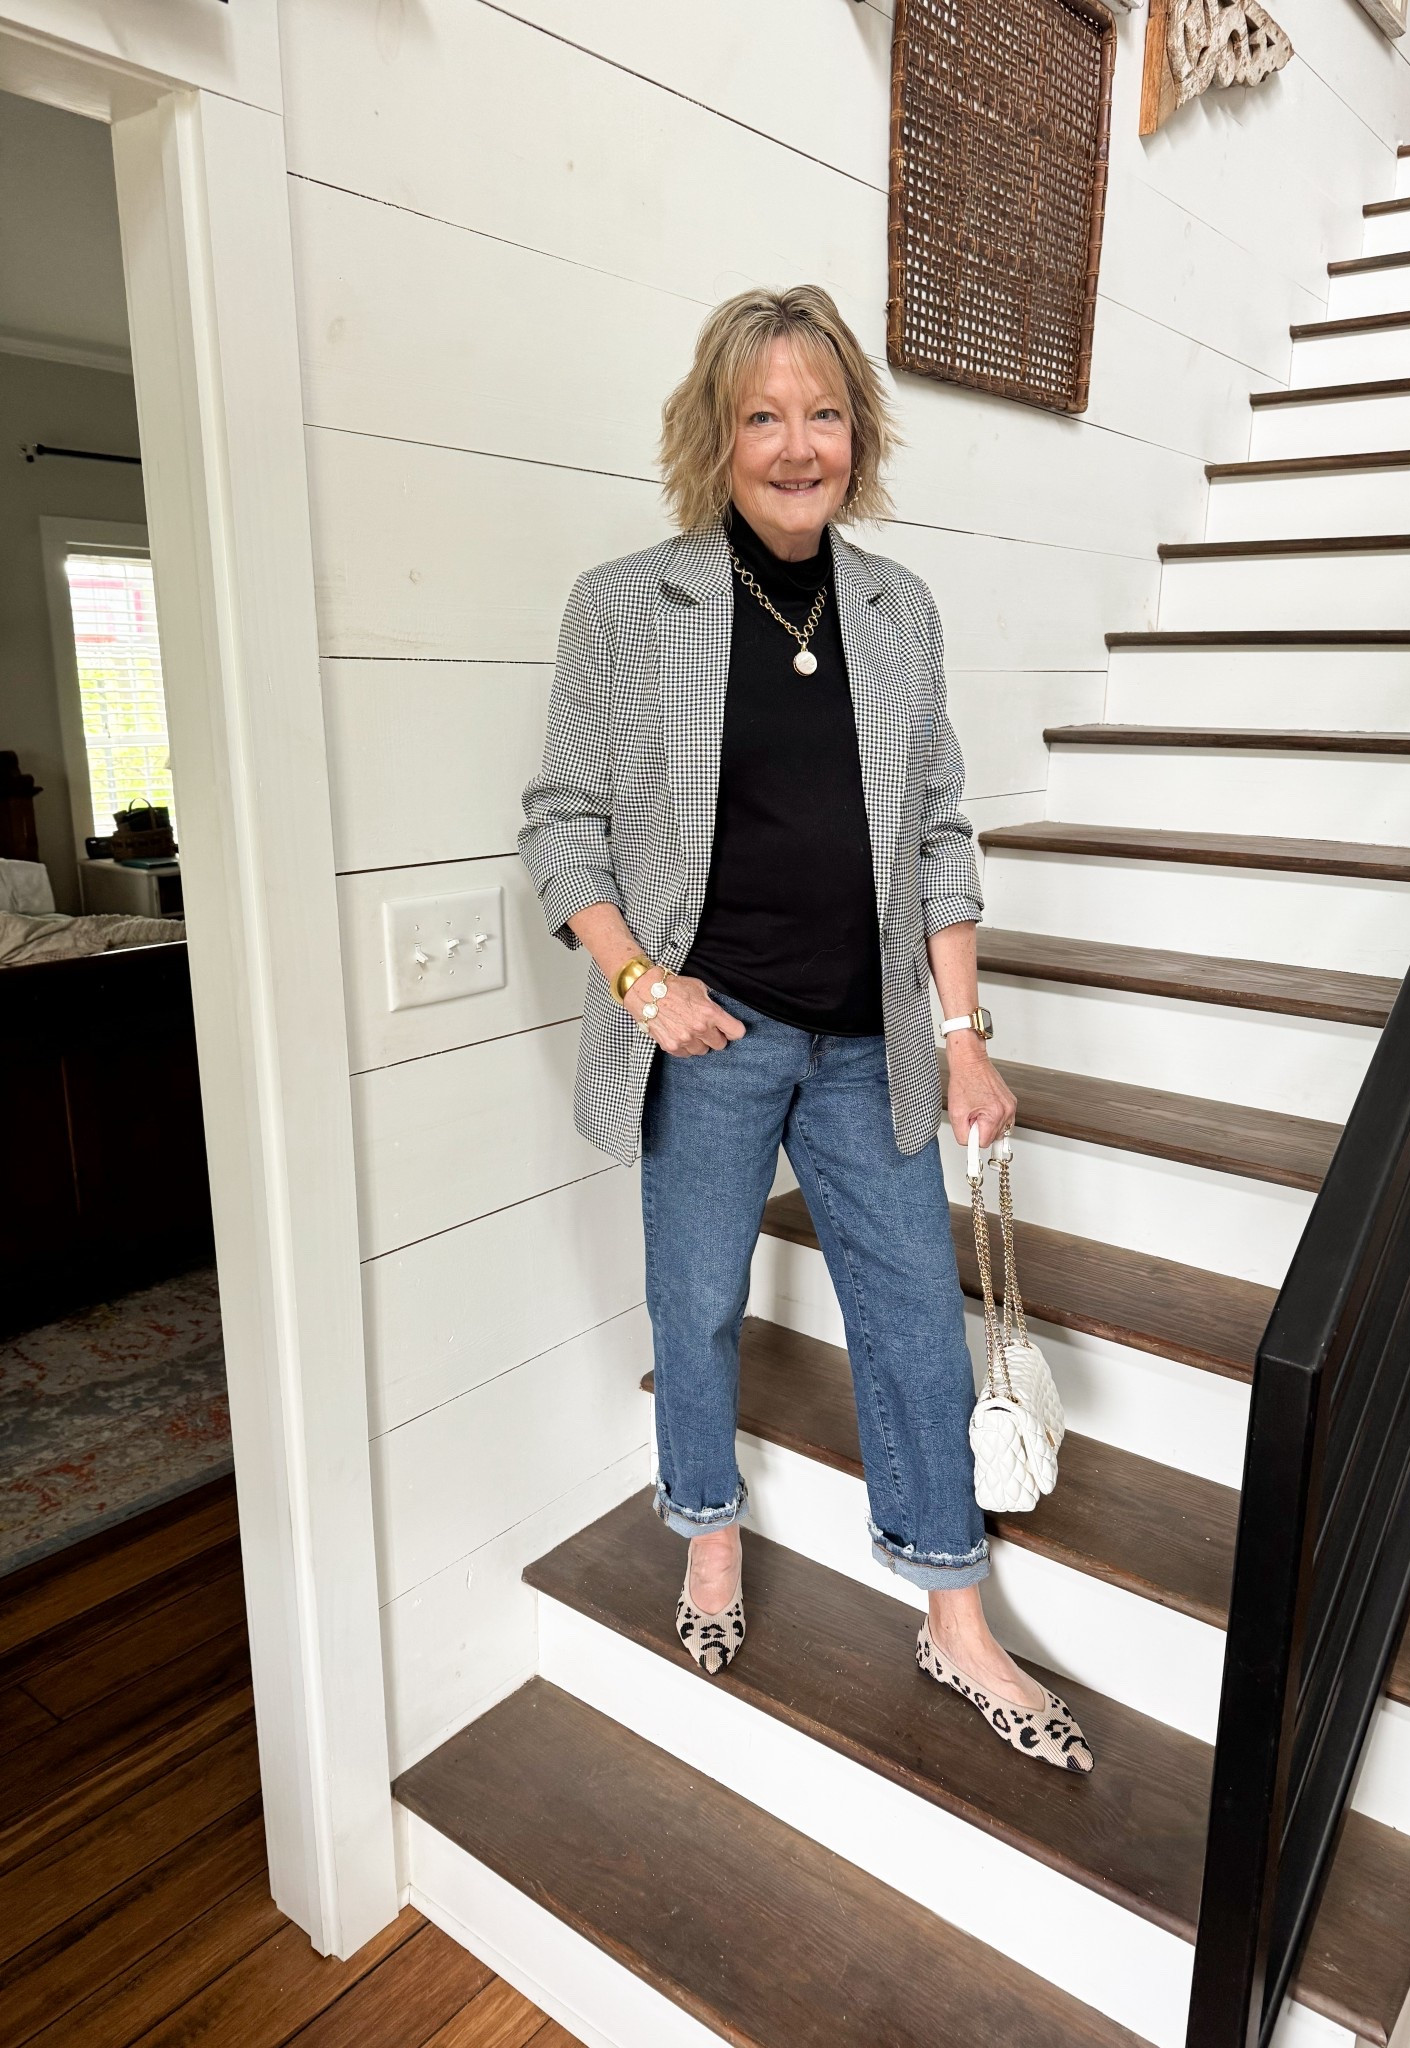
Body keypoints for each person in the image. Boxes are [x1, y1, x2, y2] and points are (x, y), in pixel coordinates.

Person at [519, 285, 1091, 1769]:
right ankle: (707, 1527)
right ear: (715, 436)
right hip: (713, 1041)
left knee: (912, 1319)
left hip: (866, 1042)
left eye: (824, 414)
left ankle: (953, 1606)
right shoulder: (627, 606)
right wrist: (643, 986)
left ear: (858, 436)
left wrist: (962, 1034)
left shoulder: (899, 612)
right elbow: (562, 823)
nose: (796, 445)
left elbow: (940, 834)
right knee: (698, 1301)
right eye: (762, 415)